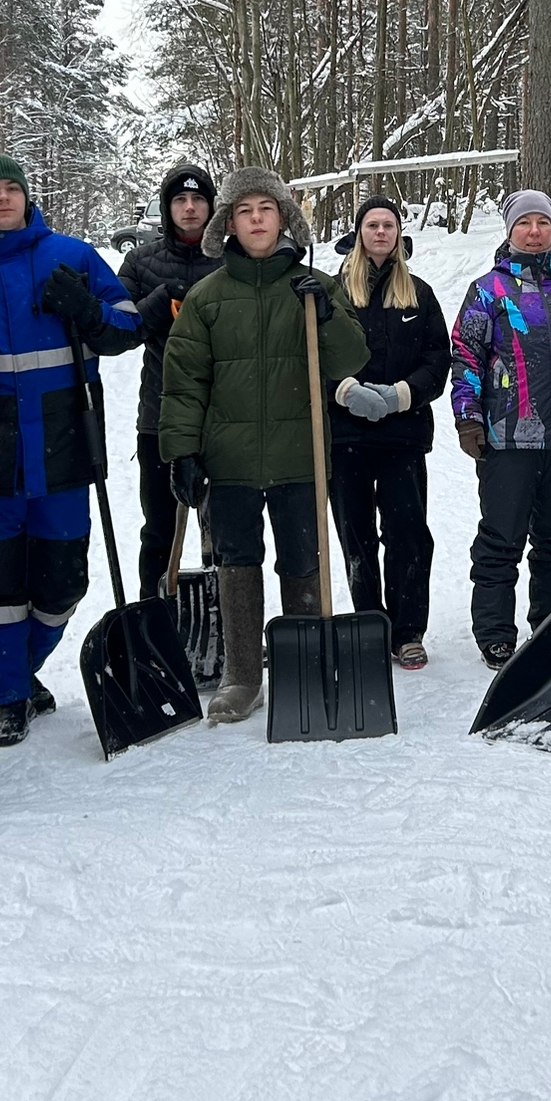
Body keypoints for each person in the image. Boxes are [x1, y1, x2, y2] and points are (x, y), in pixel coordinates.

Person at [157, 169, 368, 722]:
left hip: (301, 456)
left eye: (266, 208)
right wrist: (182, 451)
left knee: (302, 559)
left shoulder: (315, 288)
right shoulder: (207, 298)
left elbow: (351, 361)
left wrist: (326, 315)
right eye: (244, 209)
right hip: (230, 463)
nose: (255, 218)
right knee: (237, 562)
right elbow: (184, 384)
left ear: (284, 219)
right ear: (228, 222)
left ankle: (303, 663)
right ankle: (243, 676)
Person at [0, 153, 139, 745]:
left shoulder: (73, 256)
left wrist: (87, 311)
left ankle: (19, 672)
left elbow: (129, 327)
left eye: (13, 189)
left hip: (63, 440)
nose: (4, 199)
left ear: (27, 198)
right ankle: (8, 695)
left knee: (61, 580)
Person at [449, 190, 551, 668]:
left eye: (543, 223)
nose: (534, 231)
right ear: (510, 231)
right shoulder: (488, 290)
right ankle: (495, 632)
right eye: (525, 223)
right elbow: (466, 355)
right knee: (501, 538)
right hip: (507, 435)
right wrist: (468, 415)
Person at [327, 195, 450, 668]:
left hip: (402, 435)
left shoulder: (418, 293)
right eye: (372, 224)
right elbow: (313, 354)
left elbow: (438, 358)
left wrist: (402, 394)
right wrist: (344, 392)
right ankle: (369, 621)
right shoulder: (334, 292)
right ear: (358, 232)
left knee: (407, 531)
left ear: (400, 234)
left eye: (389, 225)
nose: (381, 232)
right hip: (347, 434)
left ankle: (407, 629)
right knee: (355, 533)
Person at [118, 163, 218, 601]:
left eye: (198, 199)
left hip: (225, 420)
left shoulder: (232, 258)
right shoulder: (141, 262)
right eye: (180, 199)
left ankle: (226, 631)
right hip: (159, 418)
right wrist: (157, 303)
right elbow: (116, 330)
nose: (190, 207)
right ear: (167, 207)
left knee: (225, 538)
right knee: (159, 530)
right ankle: (153, 625)